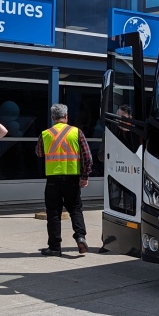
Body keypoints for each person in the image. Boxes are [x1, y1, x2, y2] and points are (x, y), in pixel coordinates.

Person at [36, 103, 92, 256]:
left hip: (53, 179)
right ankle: (80, 236)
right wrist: (85, 176)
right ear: (66, 116)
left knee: (53, 213)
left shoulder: (45, 134)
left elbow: (39, 153)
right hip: (72, 179)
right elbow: (87, 157)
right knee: (75, 209)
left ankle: (54, 247)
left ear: (52, 117)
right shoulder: (77, 132)